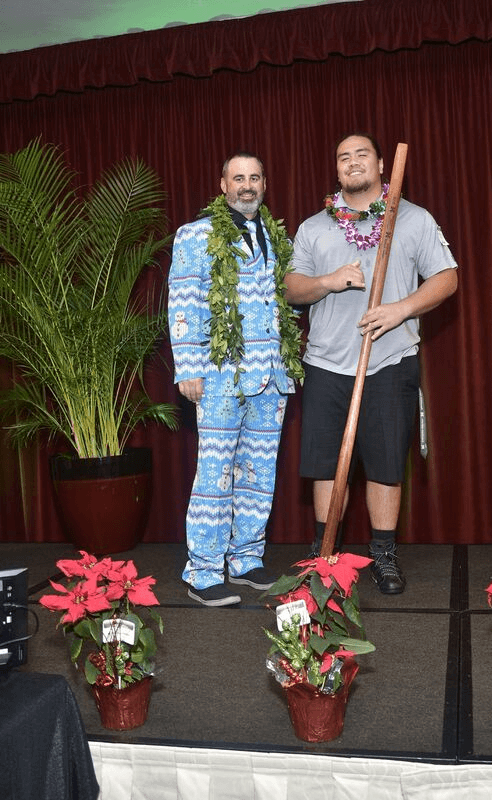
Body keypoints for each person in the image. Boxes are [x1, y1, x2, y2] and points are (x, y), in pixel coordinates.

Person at [284, 132, 458, 594]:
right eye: (344, 156)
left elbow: (447, 278)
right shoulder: (314, 227)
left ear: (381, 164)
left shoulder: (414, 219)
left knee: (385, 464)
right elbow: (291, 289)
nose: (353, 161)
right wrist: (327, 281)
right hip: (326, 364)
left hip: (390, 361)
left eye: (362, 154)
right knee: (326, 465)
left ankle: (383, 554)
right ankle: (324, 555)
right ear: (336, 169)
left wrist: (400, 309)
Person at [168, 151, 303, 606]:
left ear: (264, 184)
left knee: (259, 474)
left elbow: (284, 300)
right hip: (220, 375)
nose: (247, 185)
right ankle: (203, 570)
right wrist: (188, 366)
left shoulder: (277, 237)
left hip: (272, 376)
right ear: (223, 185)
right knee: (216, 472)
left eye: (255, 177)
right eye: (238, 178)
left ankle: (246, 558)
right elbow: (183, 299)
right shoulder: (196, 234)